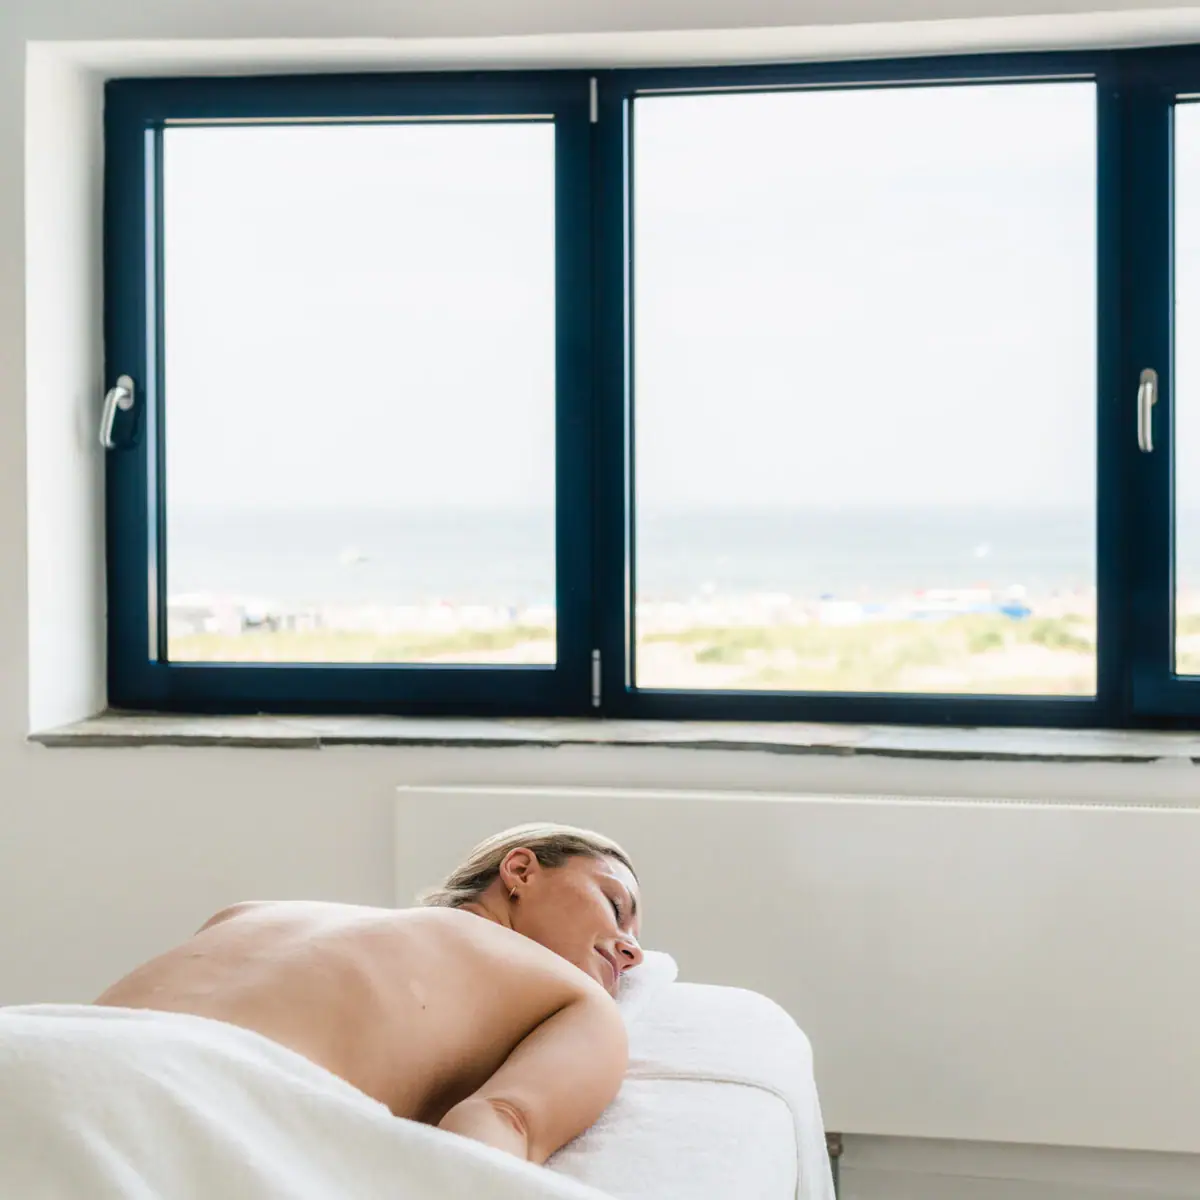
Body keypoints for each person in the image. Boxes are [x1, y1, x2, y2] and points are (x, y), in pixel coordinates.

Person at [93, 823, 643, 1166]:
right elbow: (497, 1132)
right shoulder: (574, 997)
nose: (632, 951)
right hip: (200, 1113)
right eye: (616, 906)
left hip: (41, 1049)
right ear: (520, 870)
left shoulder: (253, 913)